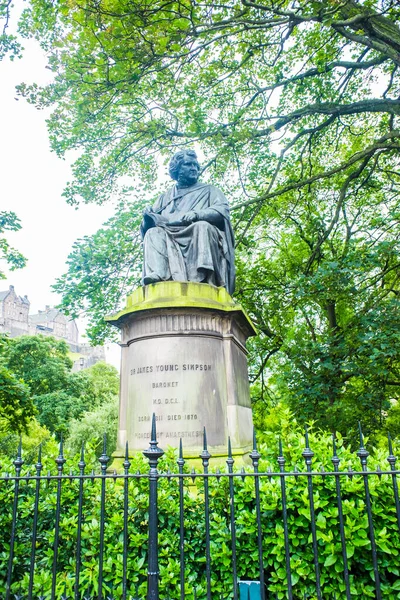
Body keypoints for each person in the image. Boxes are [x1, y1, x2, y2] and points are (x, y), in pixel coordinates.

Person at [140, 149, 235, 294]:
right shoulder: (164, 198)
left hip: (196, 231)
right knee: (153, 233)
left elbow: (222, 211)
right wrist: (147, 219)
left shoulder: (209, 190)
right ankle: (158, 274)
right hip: (168, 234)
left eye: (196, 165)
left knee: (201, 226)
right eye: (188, 165)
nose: (194, 168)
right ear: (177, 169)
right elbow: (147, 227)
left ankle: (202, 278)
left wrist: (198, 214)